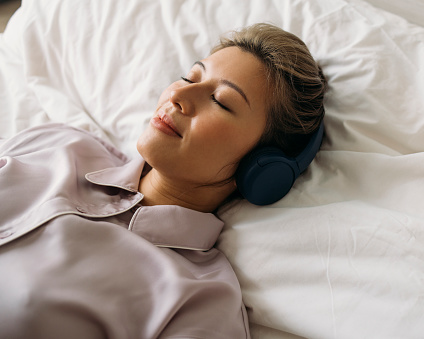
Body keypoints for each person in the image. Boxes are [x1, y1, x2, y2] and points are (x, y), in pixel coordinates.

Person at [0, 23, 326, 338]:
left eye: (220, 101)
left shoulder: (199, 304)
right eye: (189, 77)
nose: (180, 94)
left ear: (263, 167)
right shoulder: (57, 144)